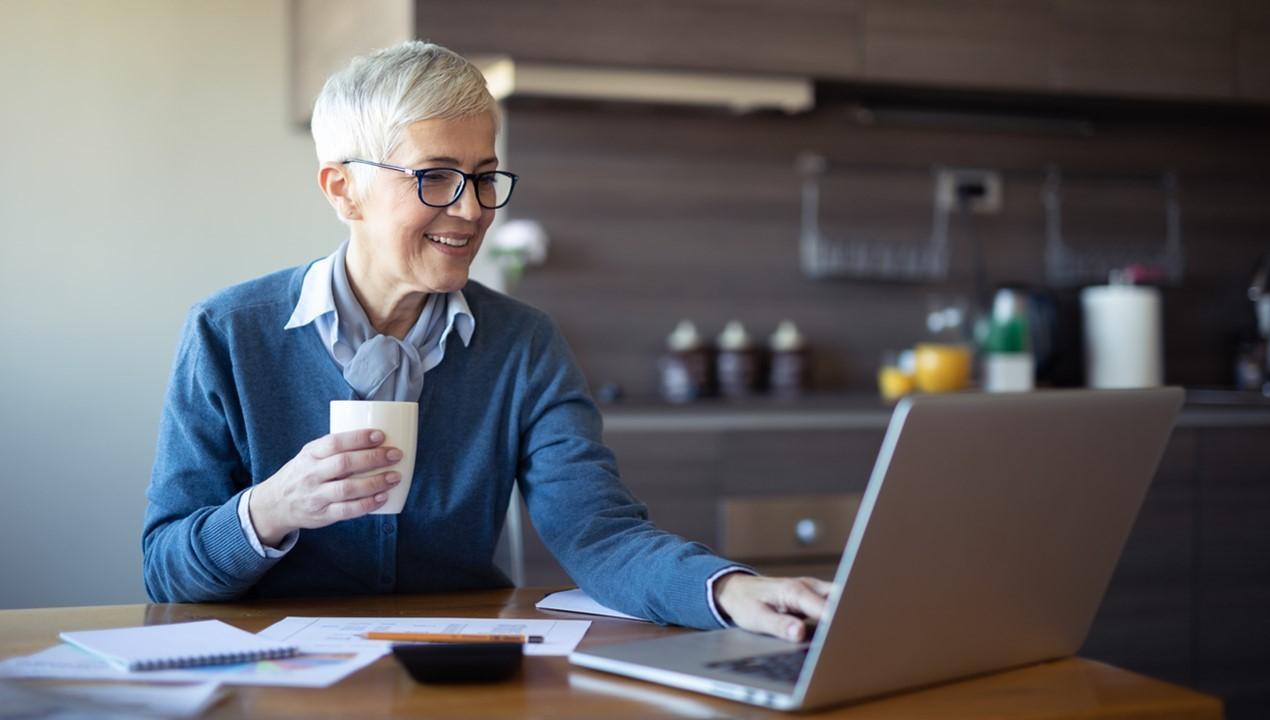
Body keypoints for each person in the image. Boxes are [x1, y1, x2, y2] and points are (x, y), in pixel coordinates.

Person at [142, 41, 829, 641]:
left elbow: (598, 533)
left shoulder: (523, 345)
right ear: (344, 190)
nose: (471, 209)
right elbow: (167, 571)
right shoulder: (228, 334)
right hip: (278, 683)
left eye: (482, 175)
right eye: (435, 177)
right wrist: (270, 509)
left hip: (462, 676)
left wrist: (729, 590)